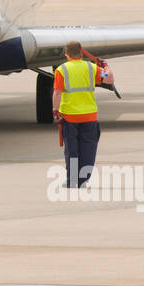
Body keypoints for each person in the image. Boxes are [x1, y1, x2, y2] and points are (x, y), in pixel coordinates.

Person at [52, 42, 112, 188]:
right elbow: (109, 79)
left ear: (66, 54)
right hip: (89, 116)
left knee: (72, 150)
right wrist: (105, 66)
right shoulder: (92, 68)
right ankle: (84, 180)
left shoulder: (62, 70)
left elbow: (57, 93)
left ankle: (72, 181)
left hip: (70, 116)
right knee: (88, 149)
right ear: (81, 53)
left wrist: (55, 110)